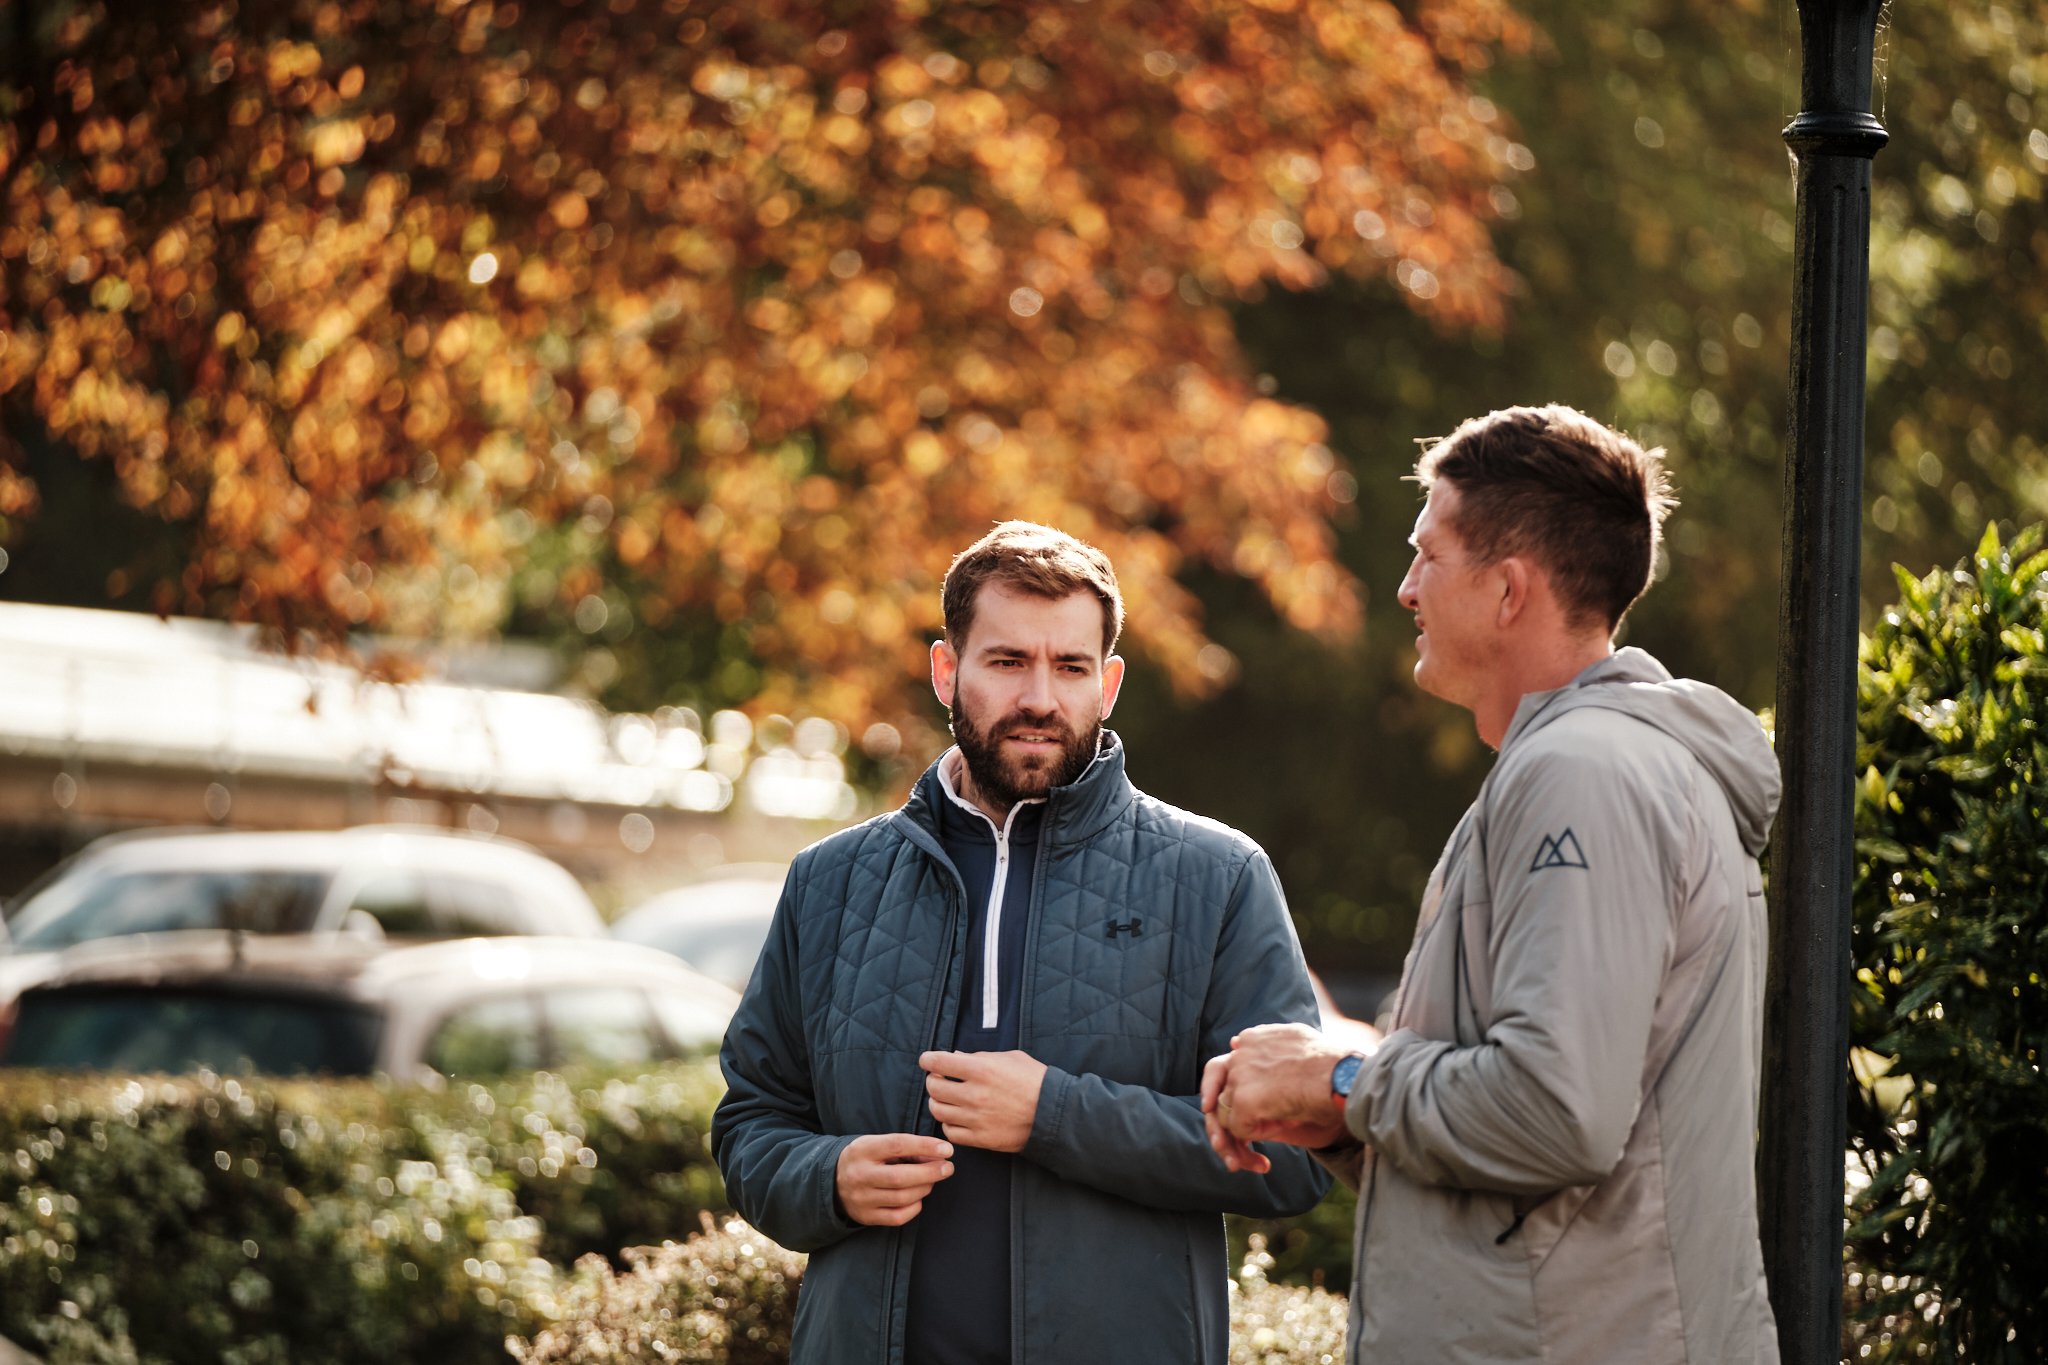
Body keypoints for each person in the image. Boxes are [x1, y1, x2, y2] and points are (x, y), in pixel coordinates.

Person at [1201, 405, 1782, 1363]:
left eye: (1428, 555)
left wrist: (1342, 1076)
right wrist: (1334, 1115)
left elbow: (1556, 1111)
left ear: (1509, 591)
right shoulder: (1575, 766)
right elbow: (1535, 1137)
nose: (1405, 587)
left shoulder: (1584, 774)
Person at [714, 520, 1330, 1365]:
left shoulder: (1218, 876)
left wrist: (1055, 1113)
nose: (1040, 696)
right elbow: (752, 1117)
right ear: (946, 670)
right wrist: (826, 1178)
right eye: (1007, 661)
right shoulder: (832, 881)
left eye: (1070, 666)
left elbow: (1293, 1158)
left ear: (1108, 683)